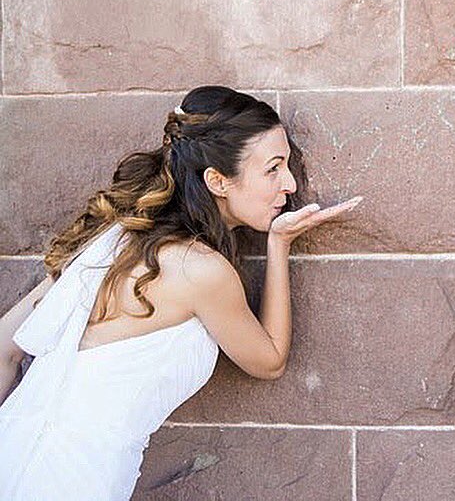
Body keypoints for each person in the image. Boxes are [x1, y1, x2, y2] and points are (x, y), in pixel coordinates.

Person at [0, 85, 362, 500]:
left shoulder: (115, 239)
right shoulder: (201, 271)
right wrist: (279, 245)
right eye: (273, 168)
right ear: (218, 181)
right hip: (72, 484)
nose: (290, 183)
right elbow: (270, 360)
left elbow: (4, 347)